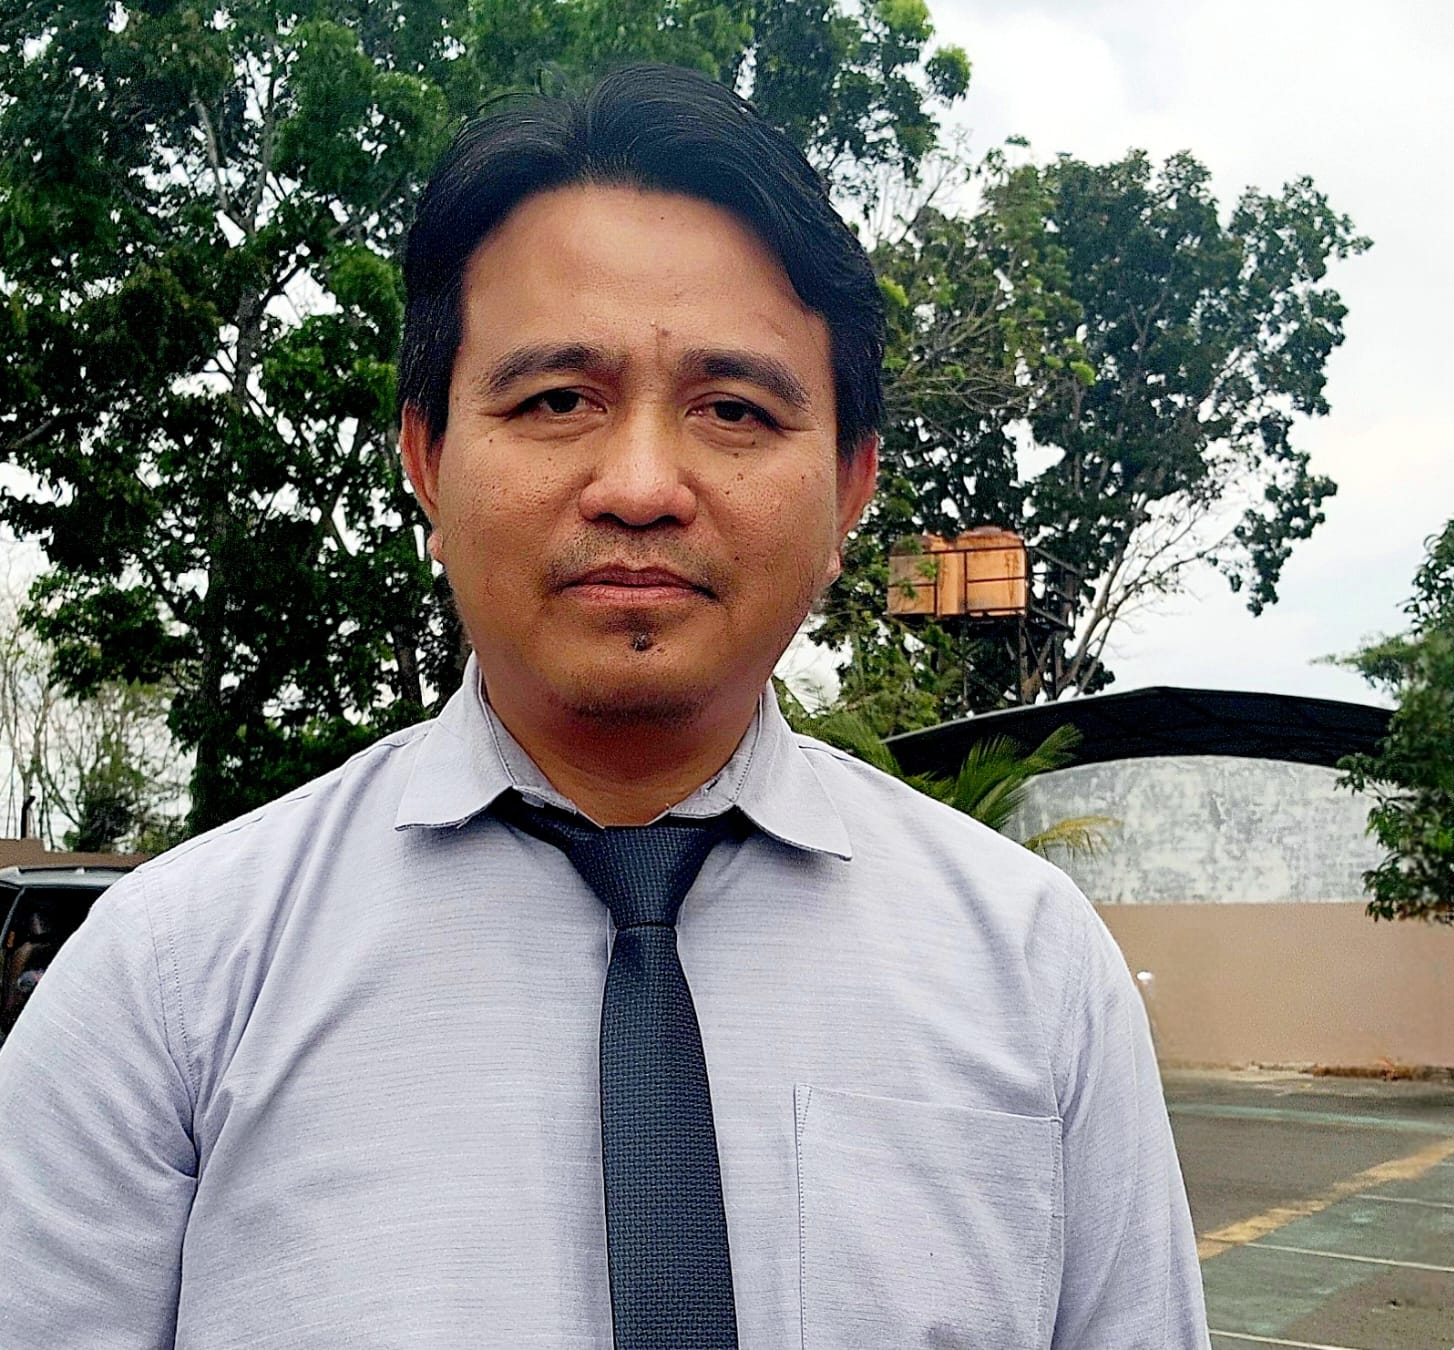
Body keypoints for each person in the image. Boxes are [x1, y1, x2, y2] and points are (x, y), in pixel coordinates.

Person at [0, 64, 1209, 1349]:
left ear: (850, 484)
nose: (639, 486)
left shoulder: (1031, 969)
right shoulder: (174, 980)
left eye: (733, 410)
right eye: (556, 400)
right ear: (426, 456)